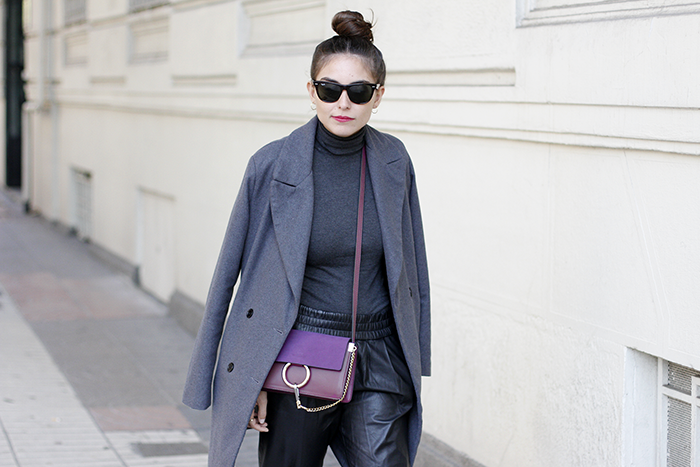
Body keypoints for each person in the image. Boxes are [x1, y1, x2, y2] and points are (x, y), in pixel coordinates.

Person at [183, 10, 430, 467]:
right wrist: (251, 376)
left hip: (379, 358)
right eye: (329, 89)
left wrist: (418, 351)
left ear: (378, 96)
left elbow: (413, 266)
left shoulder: (394, 161)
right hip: (299, 359)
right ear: (311, 91)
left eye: (358, 92)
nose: (343, 103)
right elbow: (231, 277)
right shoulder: (272, 166)